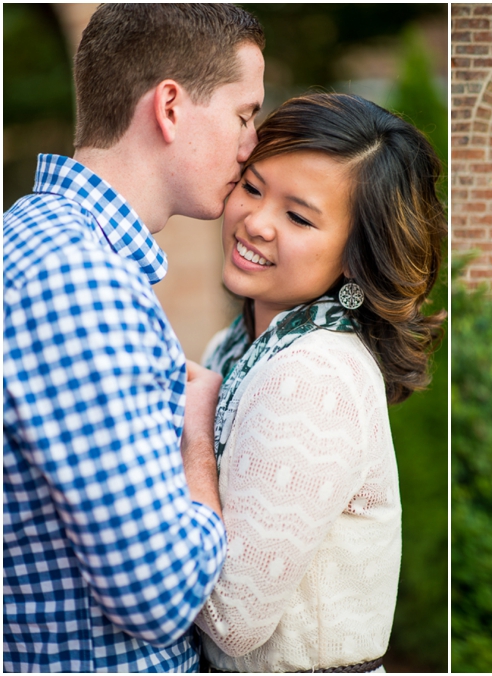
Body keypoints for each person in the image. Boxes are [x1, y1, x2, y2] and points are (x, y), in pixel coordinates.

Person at [3, 5, 265, 672]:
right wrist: (195, 428)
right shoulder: (80, 280)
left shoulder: (41, 244)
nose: (252, 143)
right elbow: (159, 595)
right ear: (171, 107)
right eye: (244, 114)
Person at [191, 93, 445, 673]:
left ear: (357, 256)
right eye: (252, 188)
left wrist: (193, 441)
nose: (256, 222)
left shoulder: (312, 375)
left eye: (299, 217)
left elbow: (234, 620)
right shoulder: (234, 347)